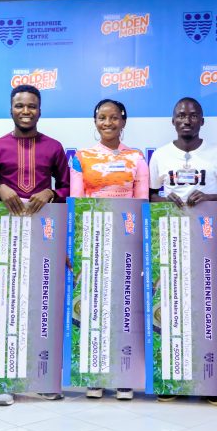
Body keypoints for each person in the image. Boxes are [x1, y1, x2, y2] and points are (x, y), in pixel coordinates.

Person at [0, 84, 70, 406]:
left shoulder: (54, 147)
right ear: (11, 109)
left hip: (44, 236)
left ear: (40, 110)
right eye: (19, 106)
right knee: (5, 305)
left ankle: (43, 379)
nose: (26, 111)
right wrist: (0, 189)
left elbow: (67, 188)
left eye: (32, 106)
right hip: (6, 237)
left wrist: (51, 192)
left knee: (42, 304)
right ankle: (2, 381)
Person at [149, 96, 217, 405]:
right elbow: (149, 197)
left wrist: (209, 196)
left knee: (207, 307)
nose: (187, 120)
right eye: (181, 115)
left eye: (193, 115)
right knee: (173, 307)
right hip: (171, 240)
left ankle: (209, 380)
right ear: (173, 120)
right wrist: (166, 199)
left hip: (208, 240)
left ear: (202, 121)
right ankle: (172, 377)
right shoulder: (160, 155)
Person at [69, 99, 148, 400]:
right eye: (102, 118)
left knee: (124, 306)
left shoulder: (136, 157)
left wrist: (138, 243)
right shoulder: (81, 158)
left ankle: (124, 375)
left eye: (114, 118)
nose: (108, 123)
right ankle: (95, 374)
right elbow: (76, 204)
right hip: (93, 240)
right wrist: (77, 244)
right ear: (95, 122)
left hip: (127, 242)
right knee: (94, 306)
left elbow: (142, 203)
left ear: (123, 121)